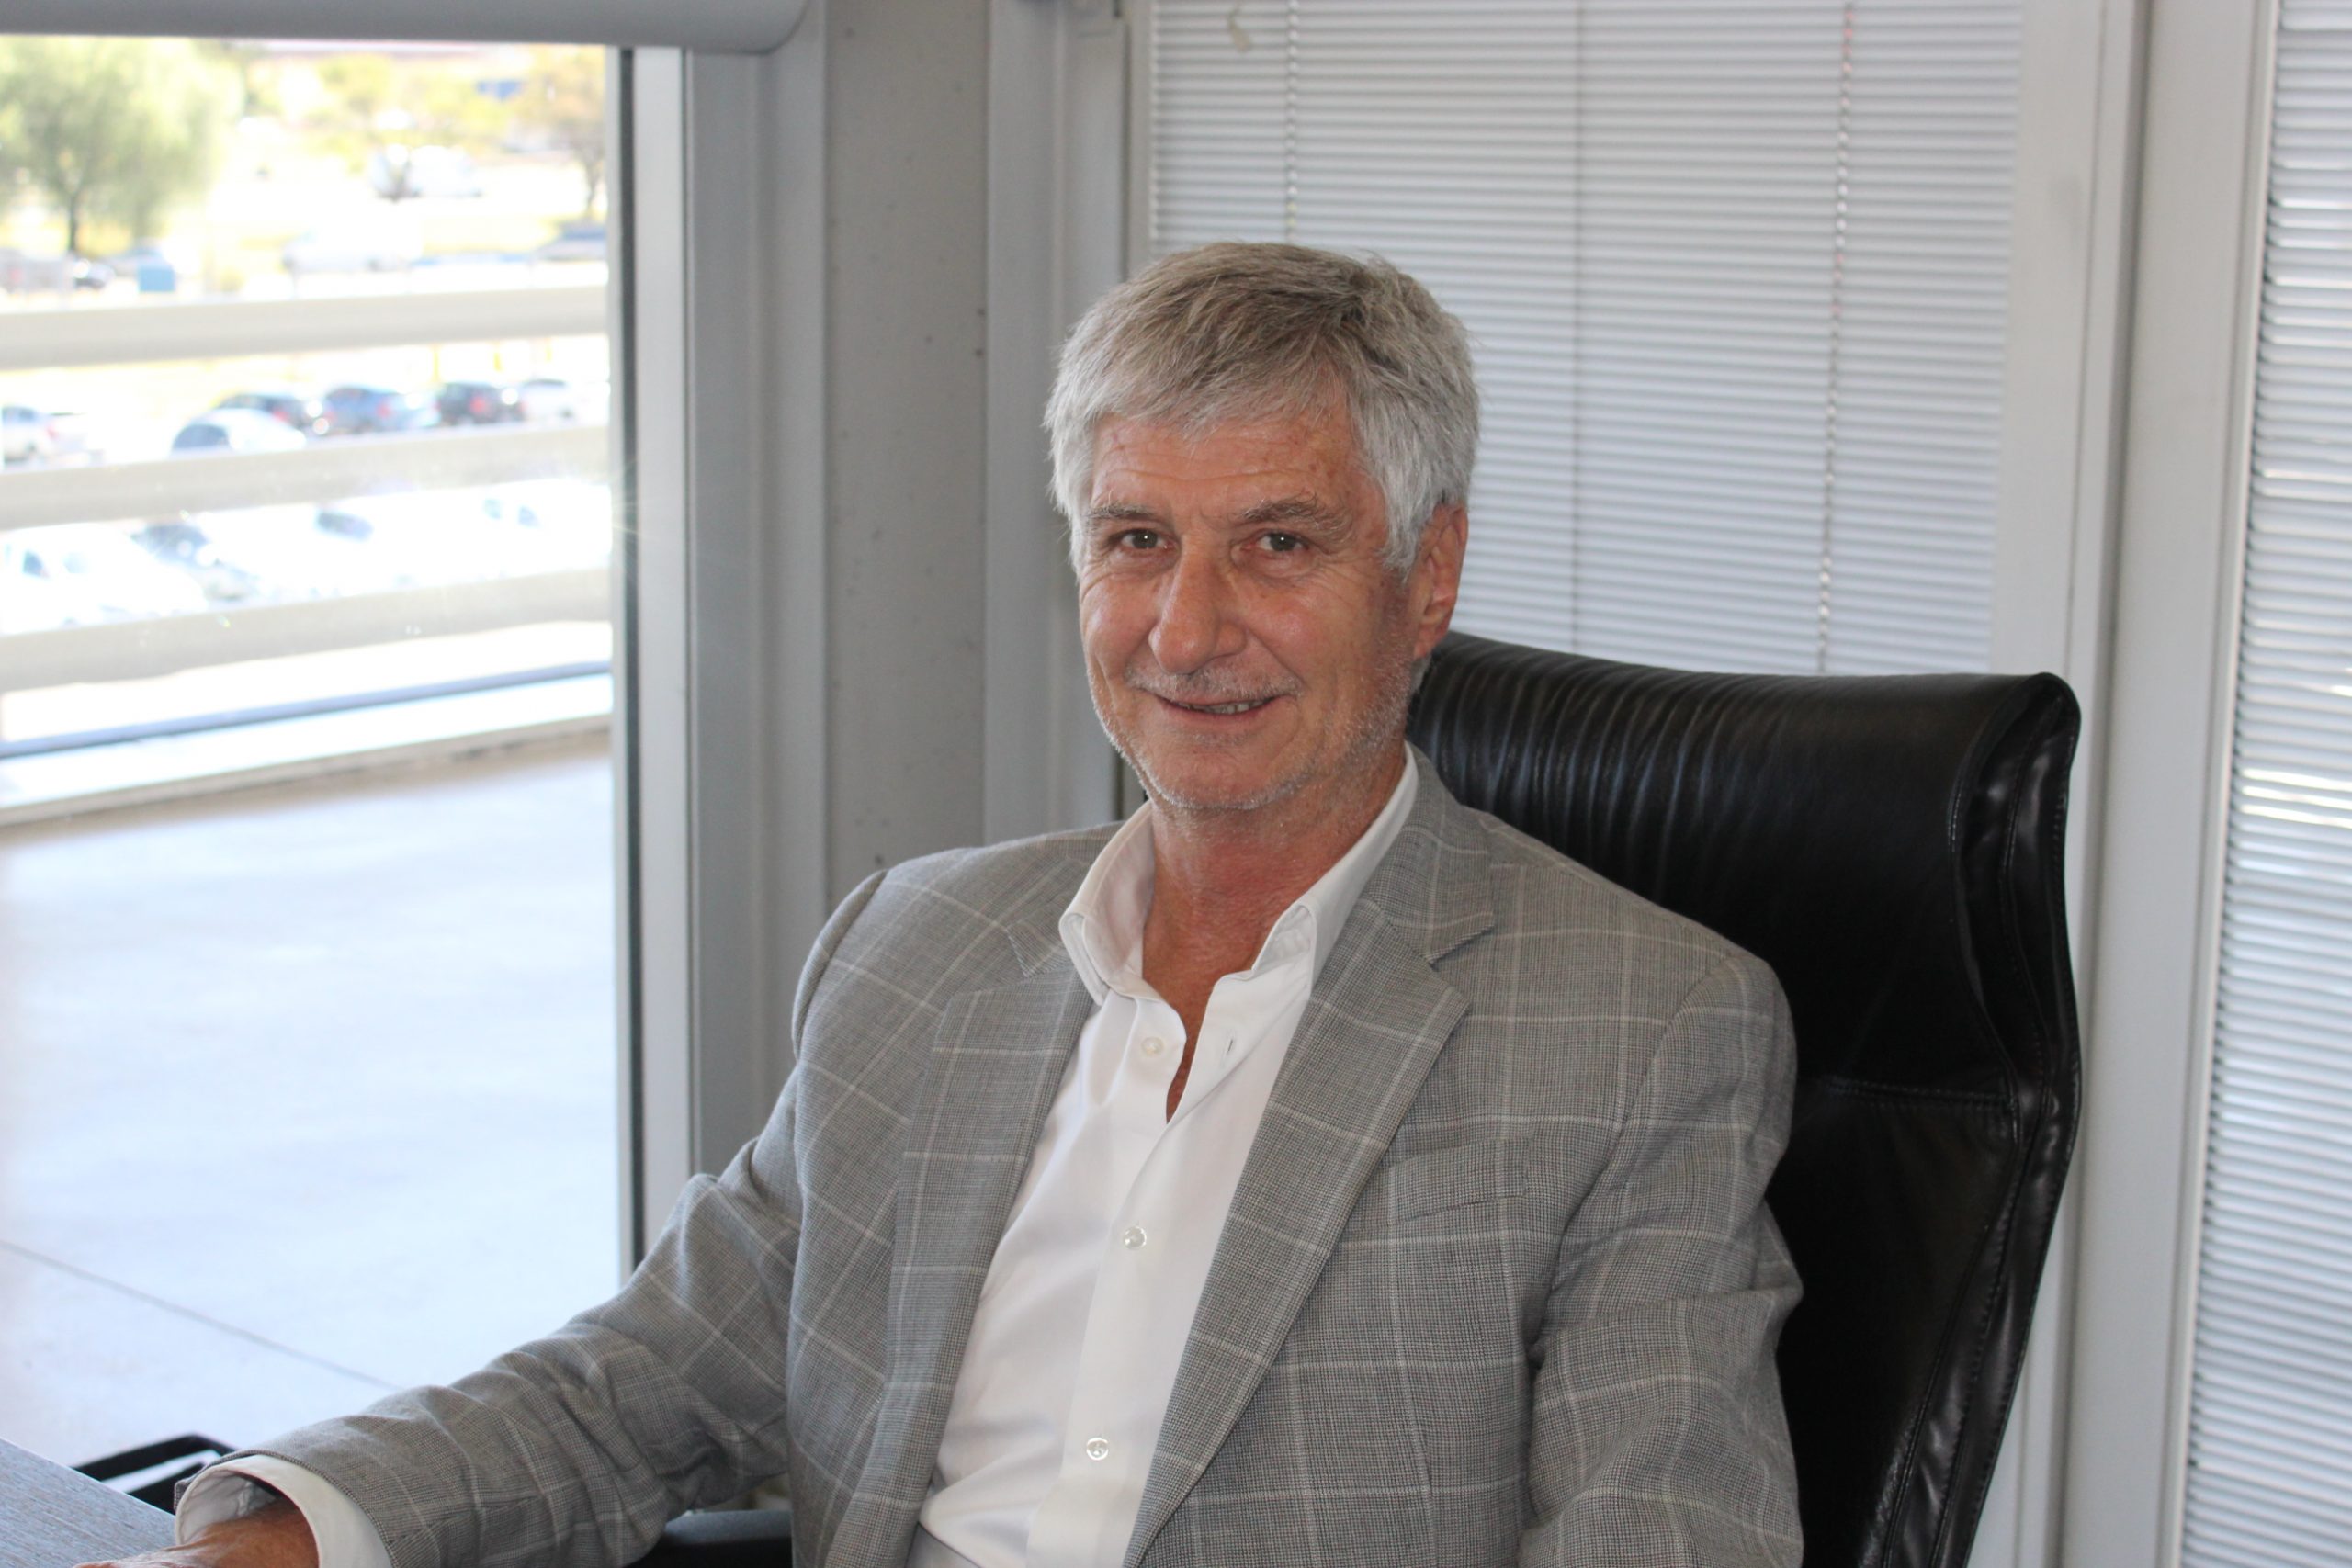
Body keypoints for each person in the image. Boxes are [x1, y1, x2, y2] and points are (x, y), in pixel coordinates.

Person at [109, 242, 1801, 1568]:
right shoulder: (916, 948)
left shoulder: (1643, 1034)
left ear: (1425, 577)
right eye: (1136, 539)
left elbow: (1666, 1542)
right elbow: (647, 1382)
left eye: (1277, 544)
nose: (1186, 630)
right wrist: (284, 1535)